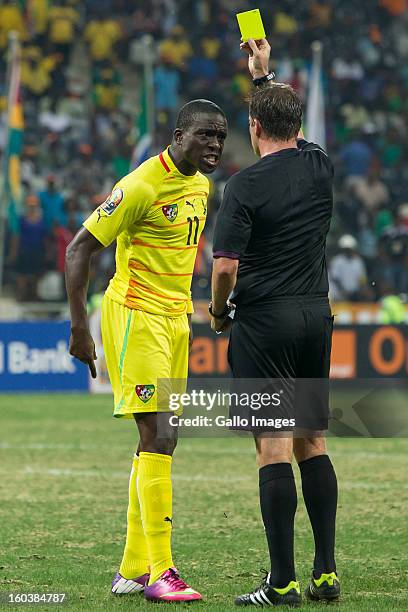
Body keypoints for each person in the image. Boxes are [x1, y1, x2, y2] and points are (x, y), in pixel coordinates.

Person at [65, 98, 227, 603]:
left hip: (177, 320)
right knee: (159, 435)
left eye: (220, 136)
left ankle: (134, 569)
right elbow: (79, 249)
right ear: (178, 136)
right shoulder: (139, 185)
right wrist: (79, 329)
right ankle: (162, 570)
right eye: (205, 135)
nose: (215, 145)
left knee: (160, 440)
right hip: (136, 315)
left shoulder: (201, 185)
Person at [210, 39, 339, 606]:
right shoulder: (320, 166)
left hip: (265, 321)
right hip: (316, 315)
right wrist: (263, 77)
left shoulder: (243, 186)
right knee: (314, 439)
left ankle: (282, 581)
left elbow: (225, 268)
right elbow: (285, 127)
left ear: (253, 127)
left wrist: (218, 312)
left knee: (273, 446)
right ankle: (326, 573)